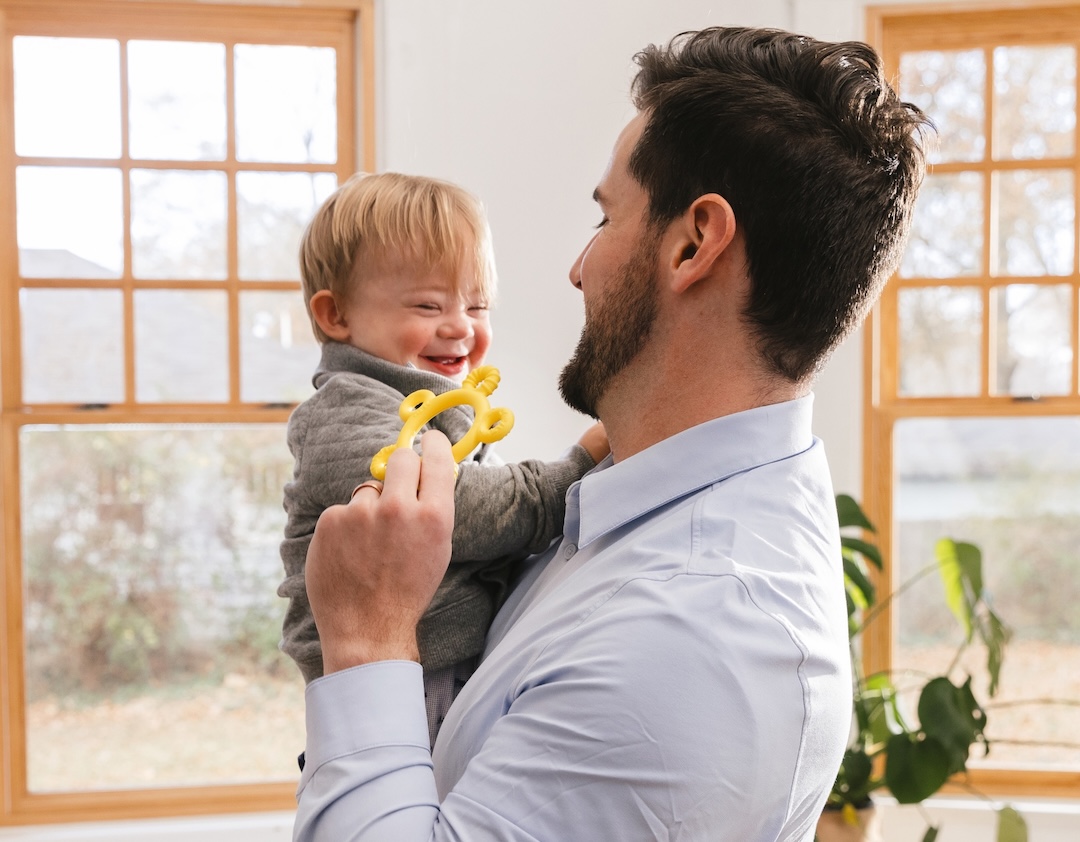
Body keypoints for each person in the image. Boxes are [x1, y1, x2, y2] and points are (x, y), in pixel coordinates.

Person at [293, 26, 930, 841]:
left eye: (605, 217)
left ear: (693, 243)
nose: (578, 267)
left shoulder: (691, 644)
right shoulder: (637, 509)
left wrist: (368, 637)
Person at [277, 171, 608, 746]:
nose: (460, 326)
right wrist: (576, 469)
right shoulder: (343, 412)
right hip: (398, 685)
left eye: (477, 305)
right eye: (429, 305)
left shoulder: (437, 409)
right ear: (335, 316)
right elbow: (457, 512)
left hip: (449, 670)